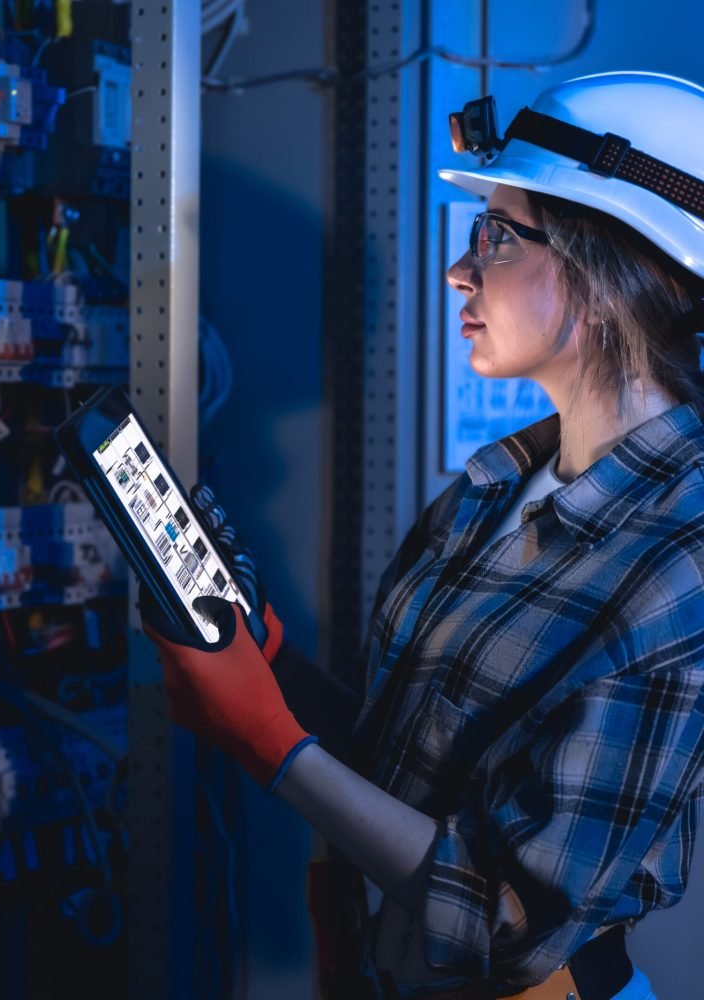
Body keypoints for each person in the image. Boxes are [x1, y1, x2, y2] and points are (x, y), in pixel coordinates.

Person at [141, 72, 704, 999]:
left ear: (609, 274)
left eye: (500, 235)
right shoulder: (495, 486)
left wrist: (270, 746)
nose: (461, 268)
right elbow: (410, 768)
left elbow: (509, 921)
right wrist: (274, 672)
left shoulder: (679, 558)